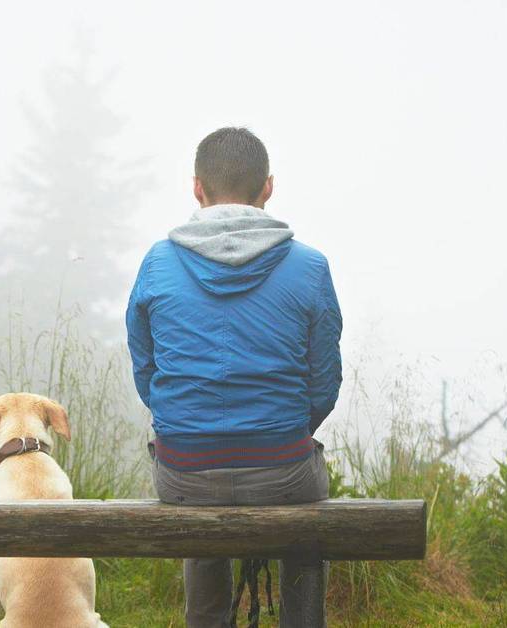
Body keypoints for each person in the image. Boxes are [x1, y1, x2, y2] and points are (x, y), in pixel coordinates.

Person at [125, 127, 343, 627]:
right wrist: (283, 432)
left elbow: (146, 369)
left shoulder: (157, 264)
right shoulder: (310, 267)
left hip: (184, 472)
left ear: (197, 189)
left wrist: (187, 422)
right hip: (285, 471)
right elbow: (324, 382)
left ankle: (207, 619)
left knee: (197, 491)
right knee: (307, 519)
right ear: (268, 188)